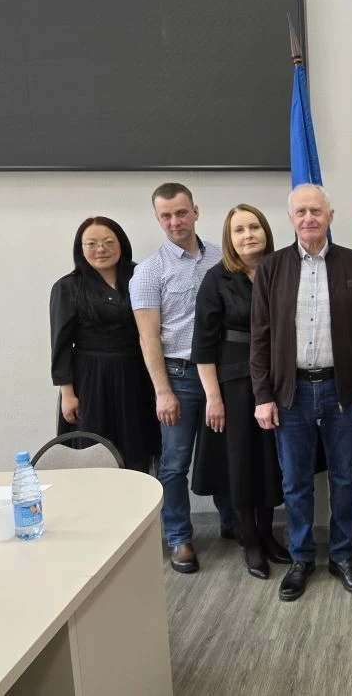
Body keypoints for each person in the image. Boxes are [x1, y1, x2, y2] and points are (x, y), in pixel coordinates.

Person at [251, 183, 352, 601]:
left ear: (330, 216)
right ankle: (301, 557)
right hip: (291, 392)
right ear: (291, 219)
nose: (309, 218)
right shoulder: (272, 268)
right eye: (301, 212)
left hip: (343, 390)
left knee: (344, 478)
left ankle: (342, 555)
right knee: (295, 481)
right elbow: (260, 338)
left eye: (316, 211)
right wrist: (262, 395)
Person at [130, 183, 237, 574]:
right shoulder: (148, 272)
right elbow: (148, 338)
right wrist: (163, 392)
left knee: (227, 453)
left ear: (195, 211)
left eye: (180, 212)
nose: (175, 221)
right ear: (158, 219)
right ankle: (179, 537)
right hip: (180, 377)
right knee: (175, 463)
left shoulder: (223, 258)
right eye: (166, 216)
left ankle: (232, 522)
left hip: (225, 374)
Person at [191, 204, 288, 580]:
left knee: (270, 462)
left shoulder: (282, 271)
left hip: (277, 379)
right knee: (242, 463)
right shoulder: (216, 279)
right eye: (239, 230)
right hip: (233, 385)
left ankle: (267, 533)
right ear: (229, 239)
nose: (248, 235)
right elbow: (203, 345)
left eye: (254, 227)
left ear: (265, 231)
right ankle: (250, 541)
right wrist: (213, 398)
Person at [50, 217, 161, 472]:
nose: (101, 249)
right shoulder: (68, 287)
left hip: (136, 376)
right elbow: (61, 344)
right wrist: (68, 394)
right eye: (92, 243)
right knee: (94, 450)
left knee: (136, 449)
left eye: (109, 242)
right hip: (91, 380)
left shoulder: (140, 277)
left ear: (121, 244)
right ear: (80, 248)